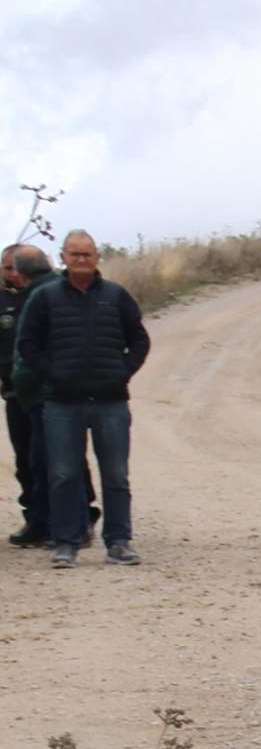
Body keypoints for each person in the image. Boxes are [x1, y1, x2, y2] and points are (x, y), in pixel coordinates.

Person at [13, 231, 149, 569]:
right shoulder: (46, 298)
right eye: (75, 255)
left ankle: (118, 542)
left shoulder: (116, 296)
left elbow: (140, 340)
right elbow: (27, 344)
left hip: (111, 402)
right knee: (62, 475)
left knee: (116, 476)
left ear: (97, 257)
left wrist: (122, 372)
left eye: (87, 254)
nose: (81, 260)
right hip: (61, 403)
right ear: (63, 257)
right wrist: (53, 374)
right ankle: (65, 544)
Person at [2, 245, 49, 545]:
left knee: (53, 457)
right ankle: (35, 519)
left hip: (45, 392)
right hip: (14, 392)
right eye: (6, 268)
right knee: (26, 460)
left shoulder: (45, 295)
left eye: (15, 268)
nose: (12, 274)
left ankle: (78, 514)